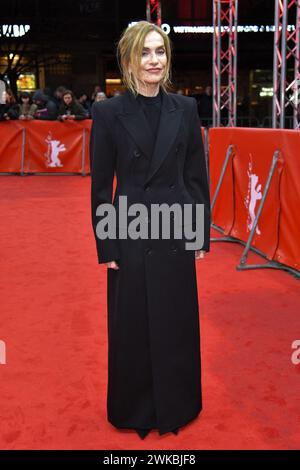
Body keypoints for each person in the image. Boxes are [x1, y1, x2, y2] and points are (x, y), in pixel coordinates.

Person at [90, 21, 211, 440]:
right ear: (128, 60)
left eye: (160, 51)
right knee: (133, 324)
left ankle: (178, 403)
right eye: (144, 52)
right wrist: (107, 243)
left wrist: (198, 235)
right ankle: (136, 408)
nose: (154, 60)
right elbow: (103, 186)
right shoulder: (107, 113)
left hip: (176, 232)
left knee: (175, 321)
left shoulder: (186, 109)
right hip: (130, 233)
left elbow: (196, 176)